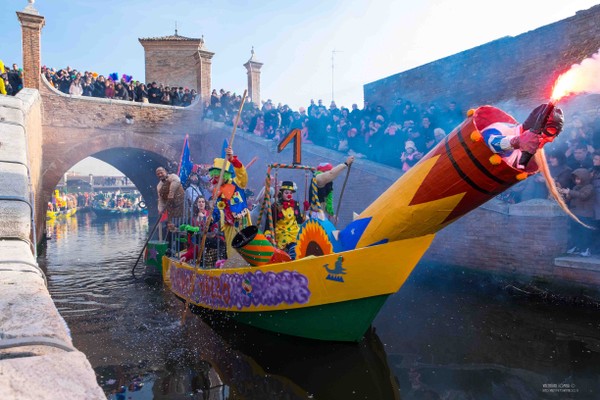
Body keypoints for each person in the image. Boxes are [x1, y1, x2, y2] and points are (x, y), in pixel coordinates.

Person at [481, 103, 564, 170]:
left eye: (556, 134)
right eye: (550, 130)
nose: (551, 139)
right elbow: (488, 142)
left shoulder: (531, 152)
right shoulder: (502, 128)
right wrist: (515, 141)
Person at [208, 147, 252, 260]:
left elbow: (242, 174)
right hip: (228, 225)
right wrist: (212, 218)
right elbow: (218, 209)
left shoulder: (237, 183)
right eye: (214, 177)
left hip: (241, 221)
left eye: (218, 176)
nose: (216, 179)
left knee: (247, 246)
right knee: (232, 250)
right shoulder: (217, 191)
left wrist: (233, 159)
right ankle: (235, 271)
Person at [559, 168, 595, 257]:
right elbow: (571, 198)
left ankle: (586, 249)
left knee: (585, 233)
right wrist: (567, 194)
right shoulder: (576, 187)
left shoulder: (589, 187)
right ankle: (577, 247)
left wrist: (570, 192)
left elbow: (583, 196)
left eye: (578, 179)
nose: (576, 181)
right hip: (575, 213)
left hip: (585, 214)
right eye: (575, 179)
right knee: (575, 232)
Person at [310, 155, 355, 221]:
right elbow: (331, 174)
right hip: (316, 214)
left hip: (321, 214)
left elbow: (327, 200)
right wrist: (345, 164)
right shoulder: (318, 178)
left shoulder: (327, 184)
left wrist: (332, 214)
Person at [272, 181, 305, 259]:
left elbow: (299, 220)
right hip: (282, 231)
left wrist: (305, 210)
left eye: (290, 193)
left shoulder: (296, 204)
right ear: (282, 193)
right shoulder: (276, 205)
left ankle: (298, 256)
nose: (289, 195)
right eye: (286, 193)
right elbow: (271, 222)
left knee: (302, 238)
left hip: (294, 230)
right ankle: (292, 258)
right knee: (287, 241)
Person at [156, 166, 185, 241]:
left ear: (165, 171)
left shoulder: (173, 177)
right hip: (171, 209)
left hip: (181, 205)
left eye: (161, 172)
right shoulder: (159, 186)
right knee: (170, 228)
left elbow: (177, 181)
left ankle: (182, 244)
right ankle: (171, 245)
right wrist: (161, 210)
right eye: (158, 174)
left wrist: (171, 193)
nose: (160, 175)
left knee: (182, 225)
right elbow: (161, 200)